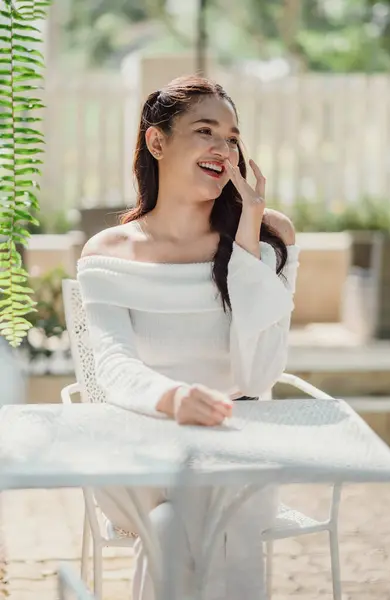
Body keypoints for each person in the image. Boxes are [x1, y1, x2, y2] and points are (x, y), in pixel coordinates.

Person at [77, 75, 299, 600]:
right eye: (206, 131)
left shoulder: (271, 236)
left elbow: (259, 373)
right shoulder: (108, 251)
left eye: (232, 137)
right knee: (193, 509)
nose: (223, 149)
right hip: (140, 446)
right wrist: (174, 398)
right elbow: (111, 363)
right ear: (158, 142)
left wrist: (247, 234)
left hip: (238, 449)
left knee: (178, 521)